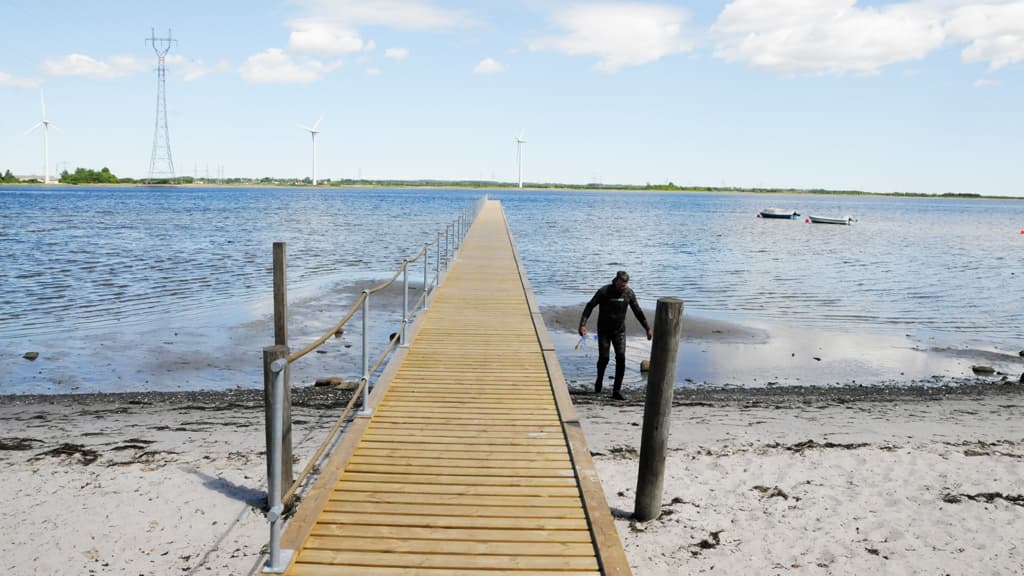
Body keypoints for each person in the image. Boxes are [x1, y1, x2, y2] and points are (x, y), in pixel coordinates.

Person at [579, 271, 652, 400]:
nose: (622, 288)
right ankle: (599, 381)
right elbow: (590, 306)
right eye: (620, 285)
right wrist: (583, 324)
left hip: (619, 331)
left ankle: (616, 390)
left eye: (624, 285)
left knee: (621, 358)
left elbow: (637, 311)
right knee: (604, 358)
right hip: (604, 330)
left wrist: (647, 328)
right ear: (616, 281)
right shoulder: (604, 291)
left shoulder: (628, 293)